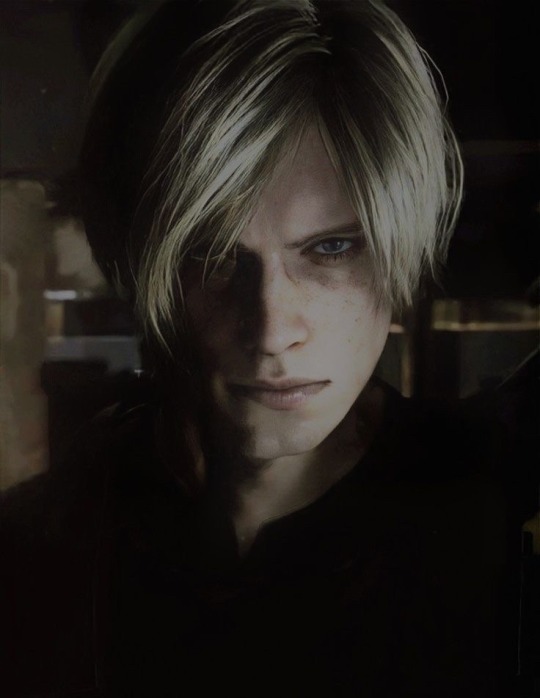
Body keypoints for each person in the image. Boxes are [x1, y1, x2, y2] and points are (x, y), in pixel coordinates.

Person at [1, 1, 538, 696]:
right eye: (212, 255)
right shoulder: (40, 548)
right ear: (138, 260)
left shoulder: (498, 523)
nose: (273, 329)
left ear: (400, 247)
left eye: (331, 248)